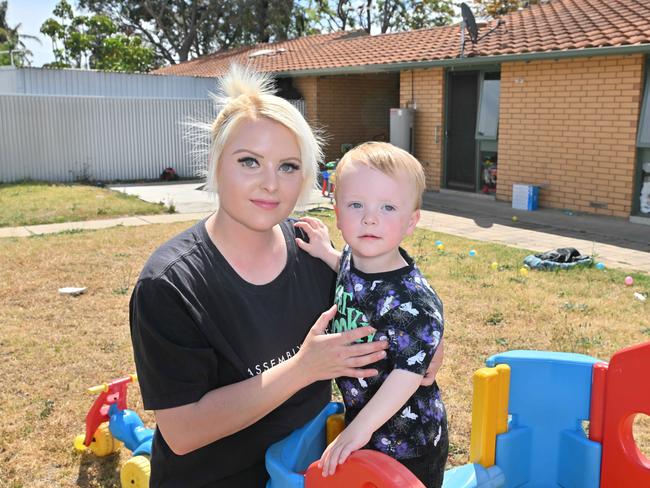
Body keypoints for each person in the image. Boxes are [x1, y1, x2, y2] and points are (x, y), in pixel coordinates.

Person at [129, 66, 441, 488]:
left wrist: (426, 346)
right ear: (215, 163)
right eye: (249, 161)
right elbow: (182, 433)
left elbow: (388, 300)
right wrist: (304, 368)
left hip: (309, 471)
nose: (270, 184)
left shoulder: (312, 250)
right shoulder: (170, 285)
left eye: (289, 166)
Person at [296, 142, 448, 488]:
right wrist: (327, 254)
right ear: (336, 212)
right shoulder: (354, 256)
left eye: (388, 207)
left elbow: (408, 377)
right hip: (365, 426)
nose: (370, 217)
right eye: (356, 204)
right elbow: (356, 280)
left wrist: (358, 431)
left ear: (411, 222)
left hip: (409, 443)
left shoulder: (413, 302)